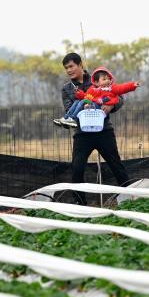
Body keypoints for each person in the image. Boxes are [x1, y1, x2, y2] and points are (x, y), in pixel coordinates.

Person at [58, 53, 130, 203]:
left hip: (103, 131)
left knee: (116, 165)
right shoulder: (67, 89)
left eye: (71, 66)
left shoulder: (98, 79)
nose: (69, 70)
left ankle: (131, 198)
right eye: (66, 68)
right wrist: (84, 108)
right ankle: (80, 204)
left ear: (80, 65)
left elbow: (119, 96)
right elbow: (69, 109)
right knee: (77, 169)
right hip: (82, 134)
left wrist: (111, 106)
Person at [54, 67, 141, 128]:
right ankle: (66, 118)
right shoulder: (93, 89)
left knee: (83, 102)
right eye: (104, 79)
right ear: (96, 82)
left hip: (100, 107)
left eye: (108, 79)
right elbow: (86, 96)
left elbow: (123, 87)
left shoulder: (111, 88)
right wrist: (78, 93)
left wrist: (133, 85)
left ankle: (73, 119)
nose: (107, 81)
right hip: (92, 105)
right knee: (78, 101)